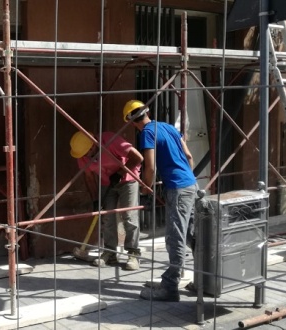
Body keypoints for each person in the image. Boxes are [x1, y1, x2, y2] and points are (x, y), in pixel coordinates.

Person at [124, 99, 197, 302]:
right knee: (192, 234)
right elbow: (189, 156)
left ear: (131, 122)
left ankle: (170, 288)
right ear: (147, 113)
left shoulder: (147, 132)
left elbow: (151, 168)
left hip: (177, 188)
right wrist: (186, 180)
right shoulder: (167, 127)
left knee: (176, 236)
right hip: (190, 184)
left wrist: (146, 188)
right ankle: (202, 280)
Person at [70, 130, 144, 270]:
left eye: (87, 153)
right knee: (107, 217)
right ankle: (110, 253)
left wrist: (120, 173)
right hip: (106, 183)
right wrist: (95, 200)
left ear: (93, 146)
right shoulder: (82, 153)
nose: (86, 157)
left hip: (127, 179)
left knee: (129, 215)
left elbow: (138, 157)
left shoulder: (111, 140)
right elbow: (89, 178)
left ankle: (133, 253)